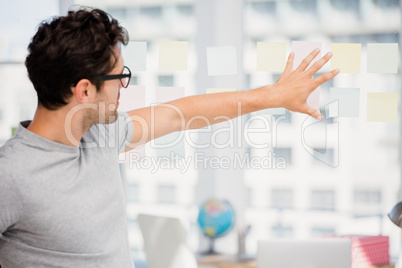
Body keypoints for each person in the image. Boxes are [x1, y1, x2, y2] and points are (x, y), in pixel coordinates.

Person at [0, 7, 339, 268]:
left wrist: (272, 96)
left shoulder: (100, 135)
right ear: (85, 90)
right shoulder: (12, 174)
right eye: (119, 76)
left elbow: (181, 114)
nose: (123, 86)